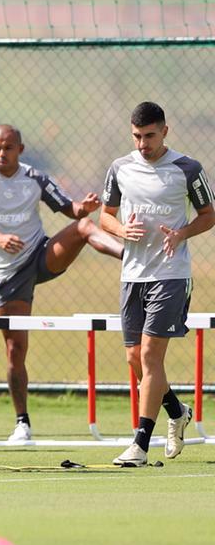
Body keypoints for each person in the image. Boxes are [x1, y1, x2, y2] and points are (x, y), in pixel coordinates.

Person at [0, 124, 124, 443]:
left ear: (20, 150)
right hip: (6, 274)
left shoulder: (35, 177)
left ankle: (128, 256)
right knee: (15, 349)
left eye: (8, 147)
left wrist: (86, 207)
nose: (1, 153)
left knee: (83, 226)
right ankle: (22, 422)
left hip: (40, 254)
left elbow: (71, 209)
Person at [99, 102, 213, 466]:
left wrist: (181, 233)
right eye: (136, 136)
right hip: (132, 274)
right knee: (135, 358)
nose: (142, 144)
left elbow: (209, 214)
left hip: (171, 274)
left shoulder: (187, 168)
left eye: (149, 135)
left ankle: (139, 444)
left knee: (150, 356)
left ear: (165, 131)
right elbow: (105, 216)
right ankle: (178, 412)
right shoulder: (120, 168)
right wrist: (121, 231)